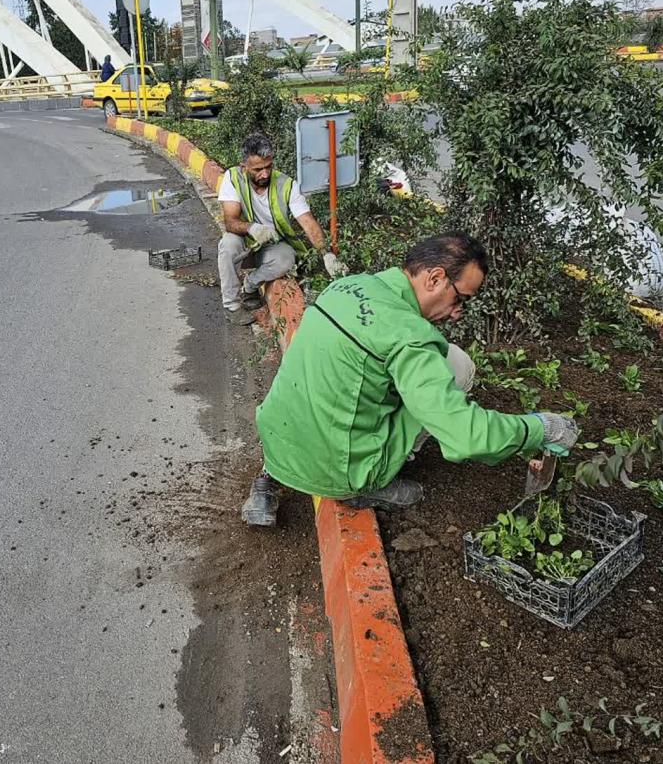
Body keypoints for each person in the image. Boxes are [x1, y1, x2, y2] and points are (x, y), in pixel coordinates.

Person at [240, 233, 579, 526]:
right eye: (461, 299)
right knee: (458, 367)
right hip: (337, 473)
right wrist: (541, 427)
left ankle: (268, 478)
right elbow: (466, 436)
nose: (458, 311)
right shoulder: (409, 336)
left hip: (277, 440)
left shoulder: (349, 285)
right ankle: (370, 484)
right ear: (434, 279)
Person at [218, 133, 345, 326]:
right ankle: (232, 306)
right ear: (244, 167)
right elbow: (230, 222)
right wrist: (253, 228)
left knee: (286, 259)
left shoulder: (286, 185)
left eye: (268, 167)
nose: (265, 174)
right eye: (258, 169)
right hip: (245, 240)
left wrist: (326, 253)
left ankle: (250, 285)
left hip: (271, 244)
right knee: (227, 245)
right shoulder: (233, 177)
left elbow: (307, 222)